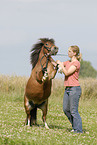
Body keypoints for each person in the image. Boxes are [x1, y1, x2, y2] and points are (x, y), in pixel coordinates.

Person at [56, 45, 83, 133]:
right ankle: (75, 126)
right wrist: (56, 61)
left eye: (69, 51)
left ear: (74, 53)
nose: (68, 53)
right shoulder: (68, 62)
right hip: (67, 89)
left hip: (74, 89)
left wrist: (61, 65)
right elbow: (58, 64)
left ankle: (78, 130)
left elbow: (67, 73)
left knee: (73, 111)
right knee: (66, 109)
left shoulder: (76, 63)